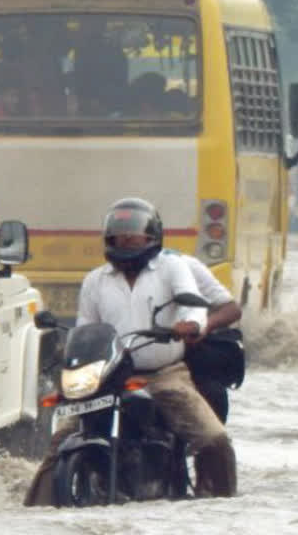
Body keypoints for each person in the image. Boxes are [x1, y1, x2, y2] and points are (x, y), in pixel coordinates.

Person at [24, 197, 238, 506]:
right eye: (119, 233)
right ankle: (35, 511)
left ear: (152, 236)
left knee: (214, 439)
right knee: (59, 443)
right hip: (106, 375)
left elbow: (192, 305)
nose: (126, 239)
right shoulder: (95, 280)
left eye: (134, 233)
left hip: (163, 374)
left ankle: (223, 505)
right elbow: (86, 328)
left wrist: (190, 325)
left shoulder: (172, 267)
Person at [162, 248, 242, 422]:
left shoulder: (186, 265)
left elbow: (232, 309)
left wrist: (201, 327)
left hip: (183, 354)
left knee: (211, 407)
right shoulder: (105, 278)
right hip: (136, 358)